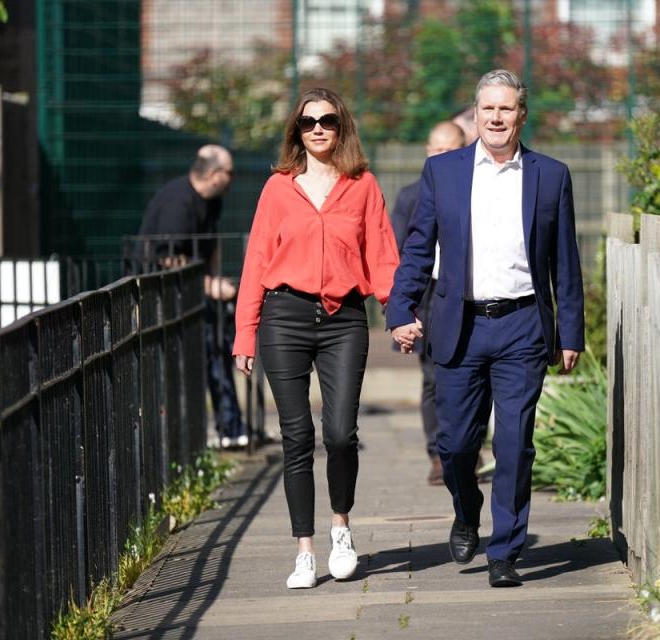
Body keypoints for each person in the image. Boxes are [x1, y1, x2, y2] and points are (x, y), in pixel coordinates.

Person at [387, 70, 584, 588]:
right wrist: (400, 307)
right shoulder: (444, 173)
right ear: (475, 115)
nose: (496, 118)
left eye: (507, 109)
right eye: (487, 109)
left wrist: (571, 333)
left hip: (522, 325)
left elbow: (566, 262)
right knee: (454, 445)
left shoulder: (551, 175)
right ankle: (466, 509)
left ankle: (505, 551)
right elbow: (416, 246)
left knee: (515, 444)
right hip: (460, 324)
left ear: (522, 115)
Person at [233, 88, 400, 589]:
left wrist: (400, 312)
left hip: (345, 318)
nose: (319, 129)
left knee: (341, 433)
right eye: (309, 123)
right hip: (284, 317)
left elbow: (383, 255)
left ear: (342, 126)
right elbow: (256, 263)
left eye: (328, 120)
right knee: (296, 436)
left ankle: (341, 527)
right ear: (297, 132)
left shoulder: (363, 185)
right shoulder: (278, 189)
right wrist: (245, 334)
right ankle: (304, 550)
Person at [136, 144, 247, 448]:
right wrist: (209, 284)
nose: (233, 179)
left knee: (218, 348)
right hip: (162, 297)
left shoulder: (210, 201)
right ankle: (199, 432)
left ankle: (231, 426)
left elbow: (211, 245)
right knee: (188, 361)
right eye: (230, 173)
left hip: (192, 293)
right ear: (214, 174)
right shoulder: (179, 203)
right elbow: (167, 256)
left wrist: (213, 280)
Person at [388, 121, 466, 485]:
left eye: (449, 150)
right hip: (430, 293)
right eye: (436, 149)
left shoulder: (477, 188)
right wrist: (403, 309)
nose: (441, 156)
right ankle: (437, 454)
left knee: (473, 374)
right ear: (426, 151)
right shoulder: (410, 195)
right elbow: (400, 254)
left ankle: (467, 449)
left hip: (469, 290)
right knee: (434, 376)